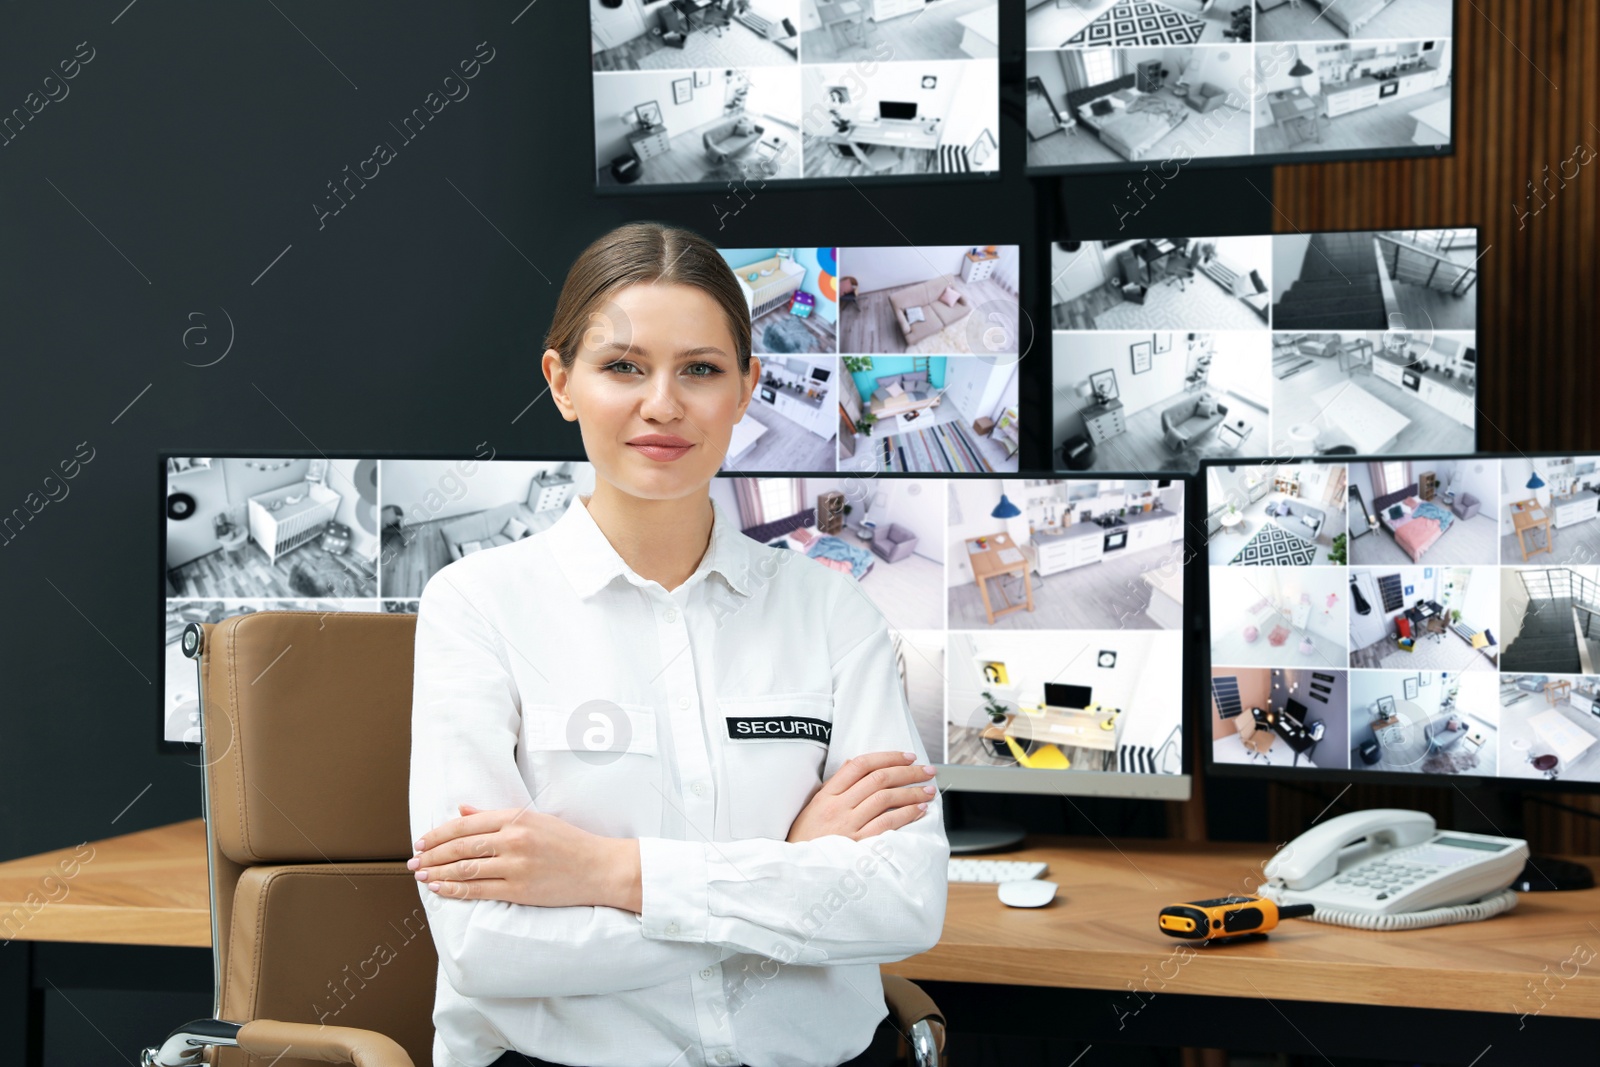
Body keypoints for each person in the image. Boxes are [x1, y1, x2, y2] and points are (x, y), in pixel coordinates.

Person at [407, 221, 950, 1067]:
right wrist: (786, 870)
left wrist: (607, 872)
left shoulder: (832, 610)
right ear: (561, 382)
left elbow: (905, 905)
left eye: (700, 369)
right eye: (623, 366)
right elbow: (486, 945)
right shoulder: (477, 606)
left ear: (745, 388)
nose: (663, 402)